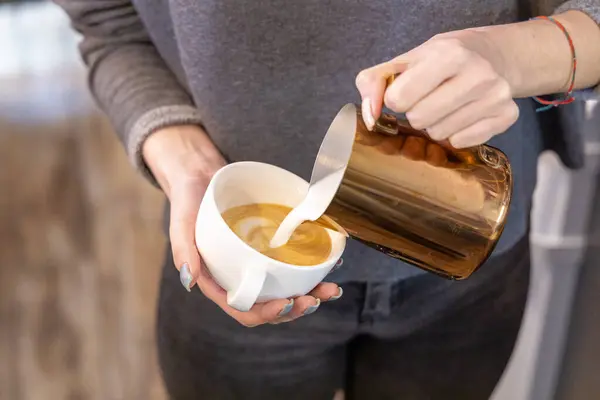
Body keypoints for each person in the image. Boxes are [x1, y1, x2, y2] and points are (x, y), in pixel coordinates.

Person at [56, 0, 600, 398]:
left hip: (466, 244)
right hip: (230, 268)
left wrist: (515, 55)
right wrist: (187, 166)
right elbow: (108, 22)